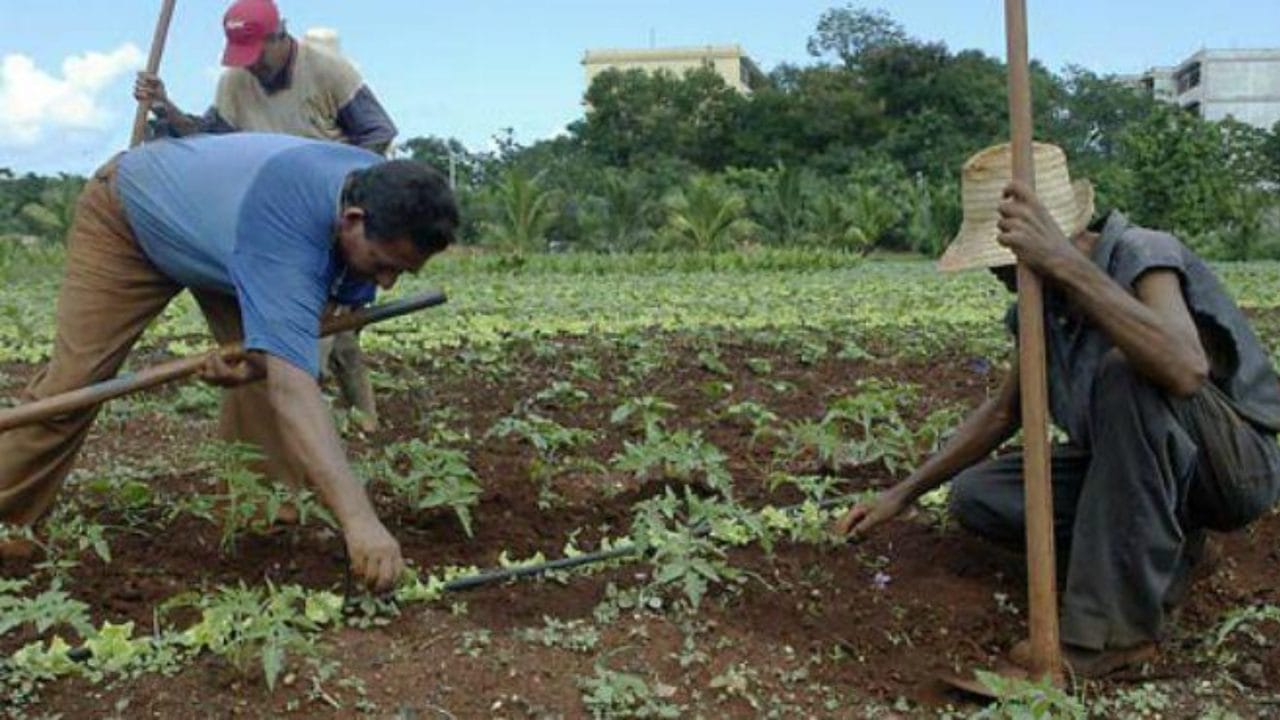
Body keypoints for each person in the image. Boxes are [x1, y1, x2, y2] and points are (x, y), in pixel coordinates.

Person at [834, 142, 1280, 677]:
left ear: (1052, 235)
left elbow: (1184, 368)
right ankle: (1171, 554)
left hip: (1230, 468)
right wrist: (900, 494)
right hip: (1134, 473)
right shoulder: (1037, 308)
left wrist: (1065, 266)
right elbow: (1004, 413)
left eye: (1003, 260)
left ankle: (1112, 637)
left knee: (1125, 371)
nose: (998, 277)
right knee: (980, 496)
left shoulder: (1140, 254)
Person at [0, 132, 459, 591]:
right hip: (132, 216)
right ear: (351, 219)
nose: (387, 283)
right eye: (382, 264)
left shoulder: (378, 191)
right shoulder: (291, 229)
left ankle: (263, 530)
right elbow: (294, 387)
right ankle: (9, 524)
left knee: (271, 372)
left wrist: (259, 362)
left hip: (233, 243)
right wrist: (361, 522)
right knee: (74, 385)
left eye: (402, 271)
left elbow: (296, 344)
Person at [134, 0, 398, 433]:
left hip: (329, 221)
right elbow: (209, 139)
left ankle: (353, 427)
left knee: (328, 334)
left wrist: (336, 189)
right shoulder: (236, 82)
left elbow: (378, 134)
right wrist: (165, 106)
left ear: (280, 36)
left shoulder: (330, 71)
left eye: (257, 54)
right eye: (243, 57)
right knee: (310, 335)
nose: (251, 67)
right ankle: (321, 434)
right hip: (273, 225)